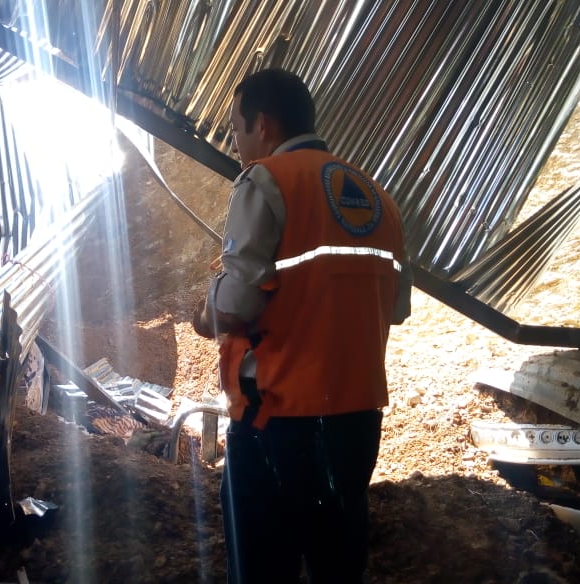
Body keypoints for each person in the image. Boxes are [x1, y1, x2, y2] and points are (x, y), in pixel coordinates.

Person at [192, 69, 412, 583]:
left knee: (264, 567)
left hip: (281, 419)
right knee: (337, 565)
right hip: (357, 421)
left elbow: (236, 305)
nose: (239, 145)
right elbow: (395, 308)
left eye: (237, 130)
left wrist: (205, 310)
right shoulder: (381, 198)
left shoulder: (266, 179)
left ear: (263, 124)